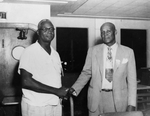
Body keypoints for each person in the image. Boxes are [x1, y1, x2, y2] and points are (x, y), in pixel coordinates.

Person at [68, 22, 137, 116]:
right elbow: (86, 73)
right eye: (102, 32)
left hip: (118, 100)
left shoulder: (128, 52)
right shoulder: (93, 51)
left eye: (108, 31)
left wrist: (131, 104)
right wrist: (74, 88)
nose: (105, 35)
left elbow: (132, 82)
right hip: (96, 99)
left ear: (115, 32)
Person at [18, 19, 68, 116]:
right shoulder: (30, 51)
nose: (49, 31)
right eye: (45, 29)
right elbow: (26, 81)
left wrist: (62, 92)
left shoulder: (55, 54)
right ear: (38, 32)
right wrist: (56, 91)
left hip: (55, 104)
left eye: (51, 29)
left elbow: (55, 78)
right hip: (36, 106)